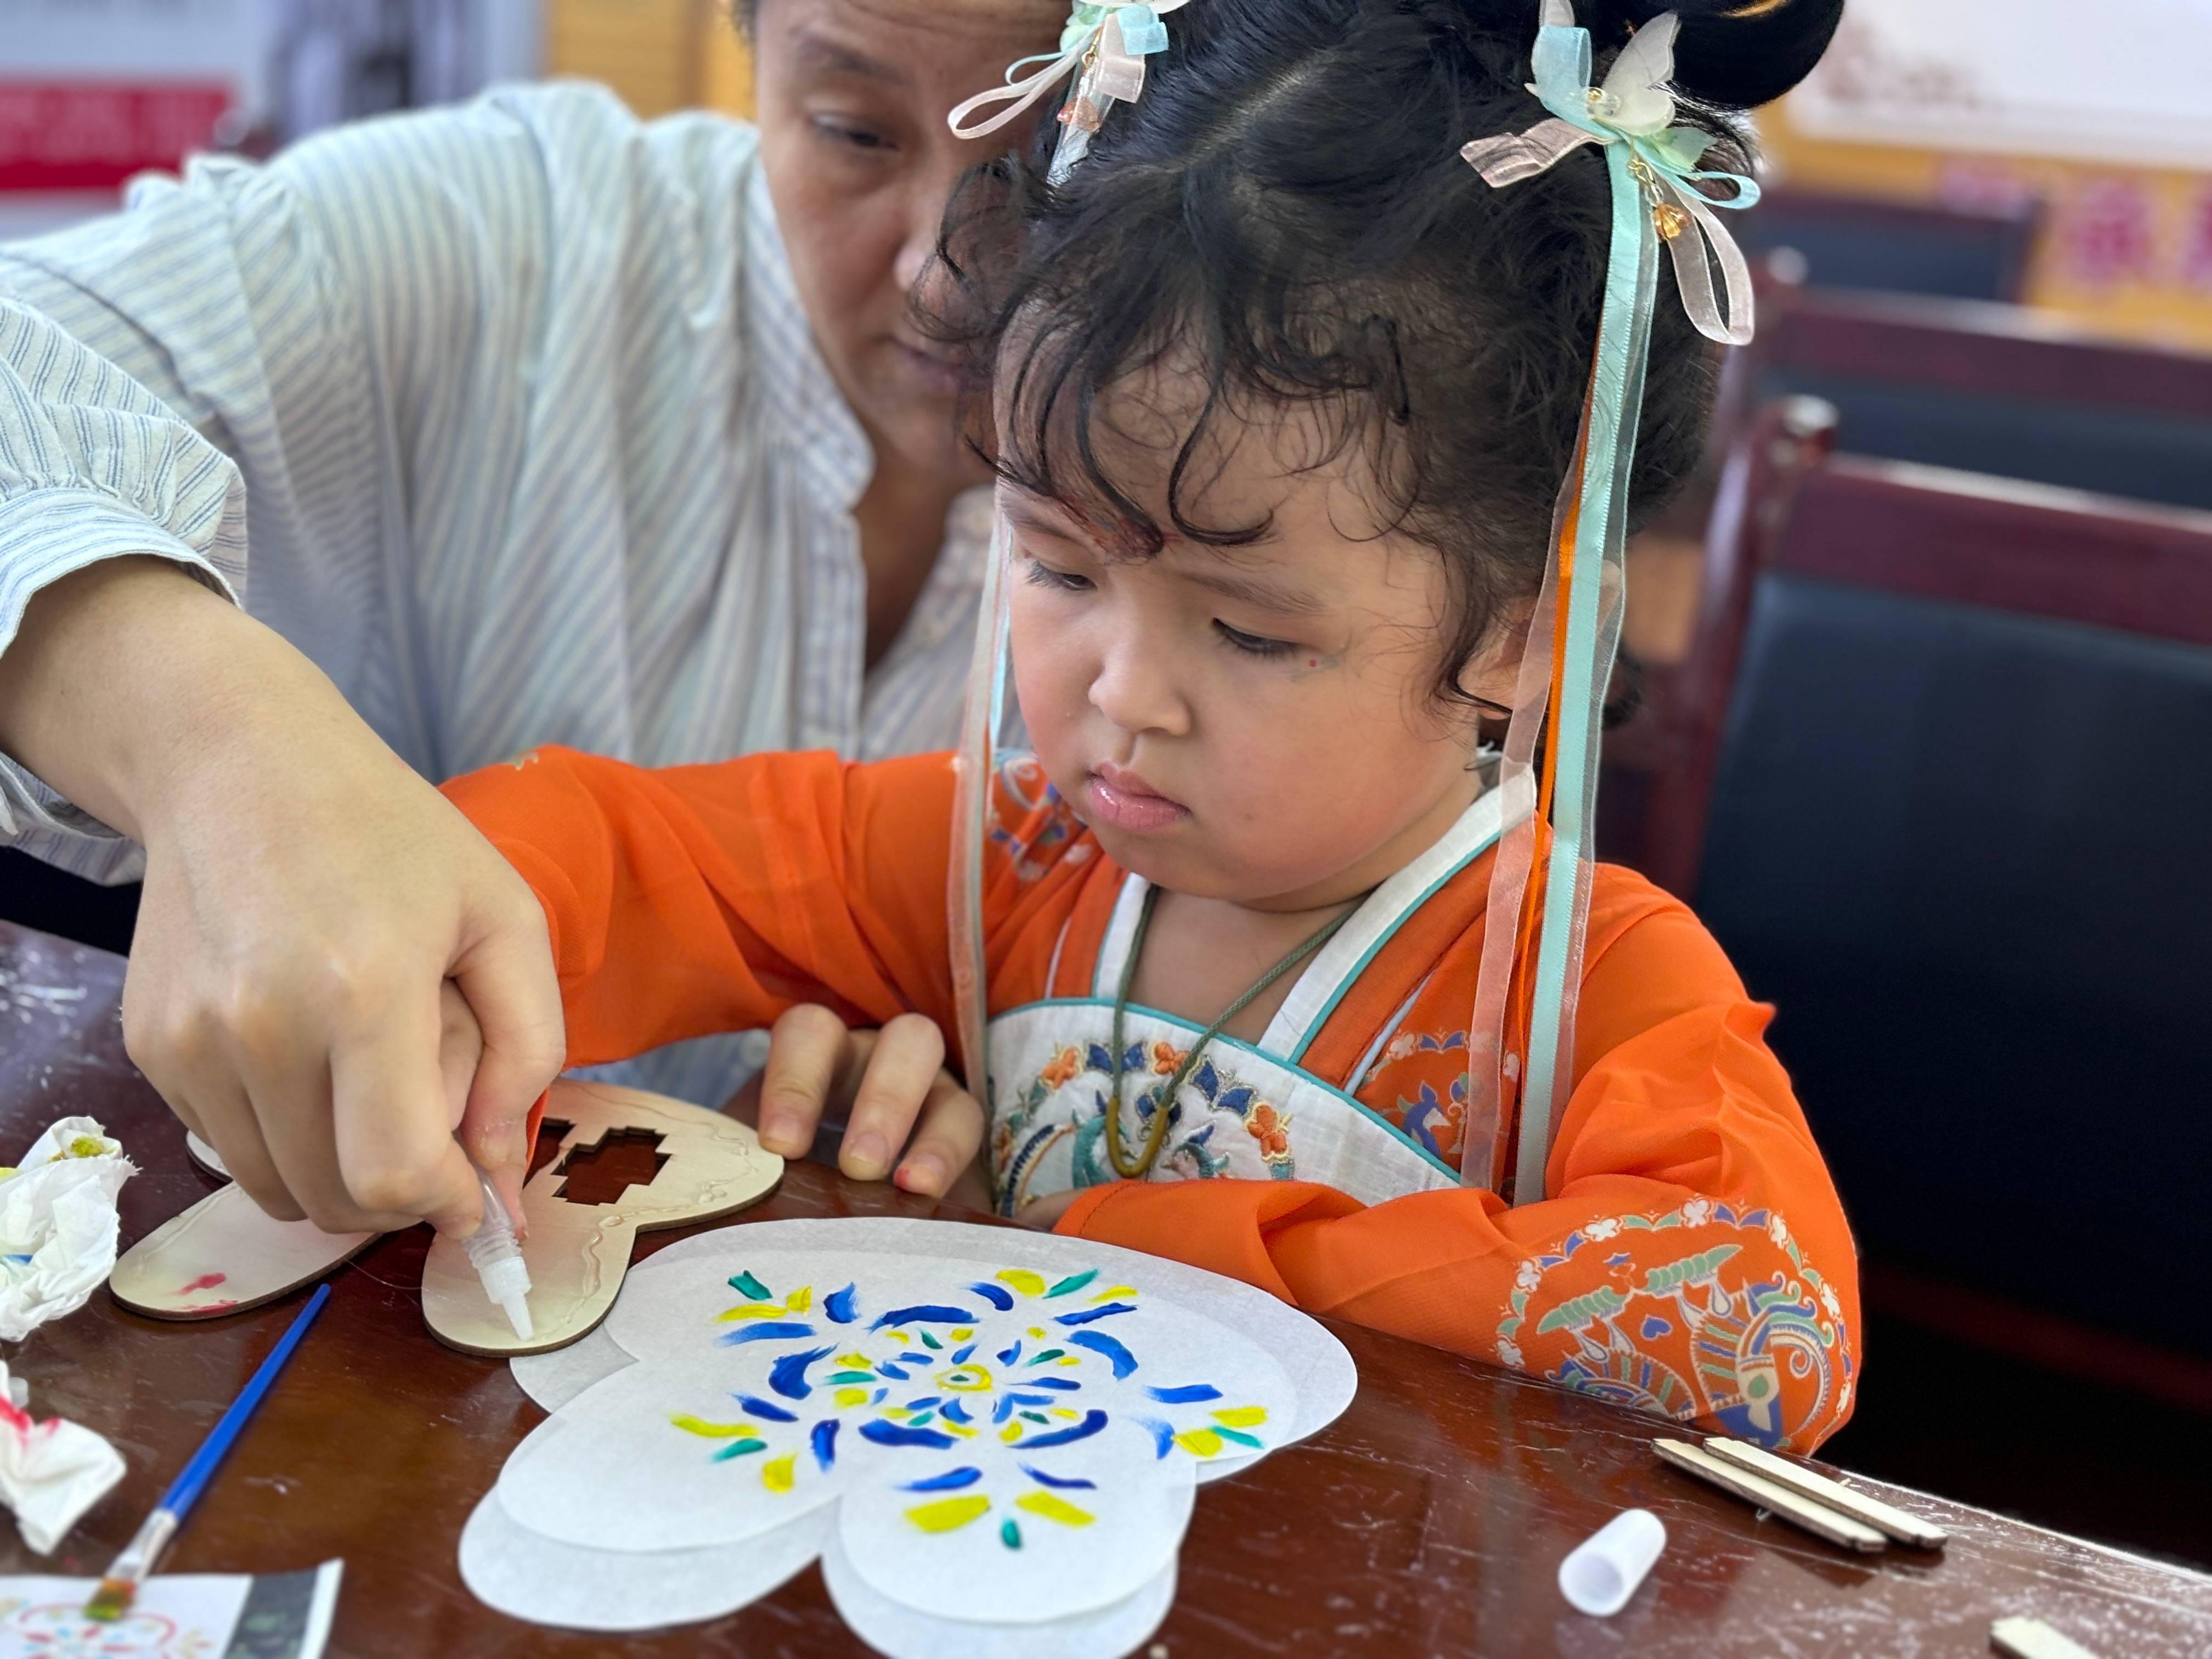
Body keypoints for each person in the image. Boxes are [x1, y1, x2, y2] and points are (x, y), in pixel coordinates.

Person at [438, 0, 1860, 1449]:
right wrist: (423, 963)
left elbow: (1761, 1328)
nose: (1122, 692)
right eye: (1057, 567)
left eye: (1250, 629)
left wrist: (1172, 1253)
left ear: (1528, 631)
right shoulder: (1000, 860)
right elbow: (629, 855)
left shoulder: (1582, 991)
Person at [0, 0, 1066, 1238]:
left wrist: (1022, 1114)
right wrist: (205, 729)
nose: (942, 267)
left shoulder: (1293, 465)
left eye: (1053, 160)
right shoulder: (494, 244)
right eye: (852, 132)